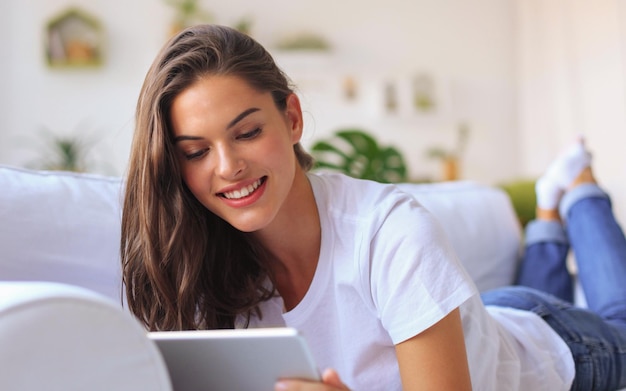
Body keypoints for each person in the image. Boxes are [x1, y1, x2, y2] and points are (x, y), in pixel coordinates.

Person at [120, 24, 626, 390]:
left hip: (560, 351)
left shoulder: (389, 230)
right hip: (482, 324)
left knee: (618, 317)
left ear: (292, 118)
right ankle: (546, 218)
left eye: (248, 132)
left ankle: (579, 189)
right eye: (195, 152)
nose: (227, 166)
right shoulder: (202, 265)